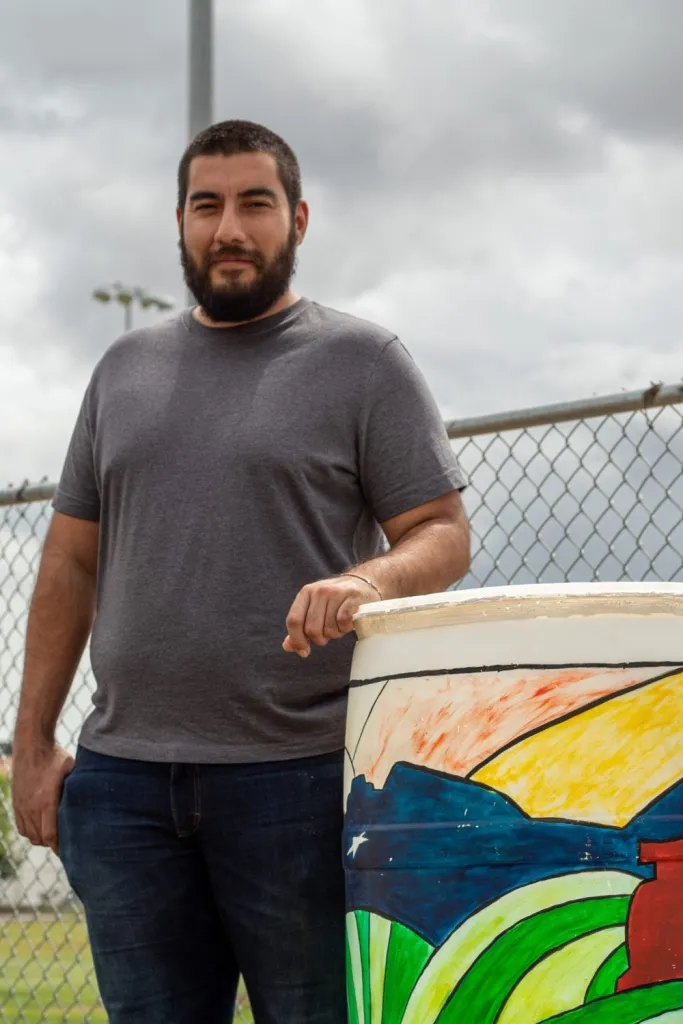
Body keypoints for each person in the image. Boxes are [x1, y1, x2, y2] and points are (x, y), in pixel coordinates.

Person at [11, 120, 470, 1023]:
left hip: (294, 783)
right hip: (124, 786)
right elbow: (69, 559)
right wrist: (31, 747)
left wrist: (368, 581)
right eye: (206, 205)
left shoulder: (362, 363)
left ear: (296, 219)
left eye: (254, 204)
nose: (229, 227)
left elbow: (442, 532)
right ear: (179, 223)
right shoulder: (121, 371)